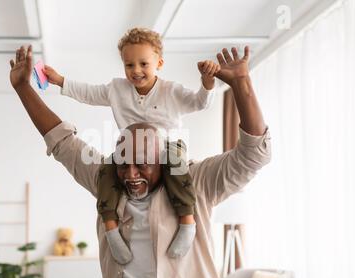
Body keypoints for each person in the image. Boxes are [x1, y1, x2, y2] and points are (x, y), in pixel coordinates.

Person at [9, 44, 271, 278]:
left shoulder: (196, 181)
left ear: (162, 160)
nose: (131, 175)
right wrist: (23, 88)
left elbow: (253, 154)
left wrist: (241, 84)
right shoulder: (107, 178)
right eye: (123, 163)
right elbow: (62, 142)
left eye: (143, 164)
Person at [42, 28, 221, 263]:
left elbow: (200, 103)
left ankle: (187, 222)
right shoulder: (117, 89)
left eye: (144, 64)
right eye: (129, 65)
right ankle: (111, 229)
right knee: (107, 170)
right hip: (130, 149)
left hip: (166, 147)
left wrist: (207, 83)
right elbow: (89, 93)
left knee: (177, 165)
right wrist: (60, 81)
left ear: (159, 62)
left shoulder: (172, 91)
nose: (136, 71)